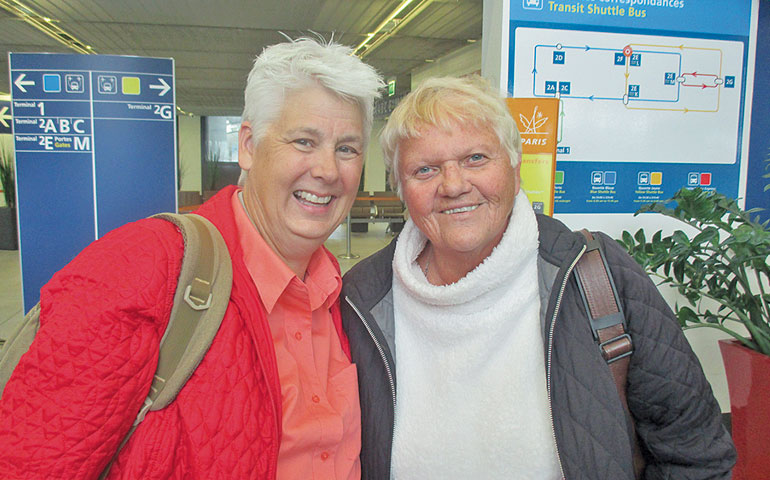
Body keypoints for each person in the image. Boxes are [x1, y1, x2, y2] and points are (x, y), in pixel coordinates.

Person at [0, 37, 383, 479]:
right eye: (303, 141)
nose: (328, 170)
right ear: (249, 146)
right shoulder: (144, 268)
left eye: (347, 148)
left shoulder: (337, 287)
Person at [340, 76, 736, 479]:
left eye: (476, 158)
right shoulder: (363, 298)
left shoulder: (595, 276)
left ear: (514, 166)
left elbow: (695, 452)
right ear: (401, 189)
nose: (454, 185)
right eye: (425, 170)